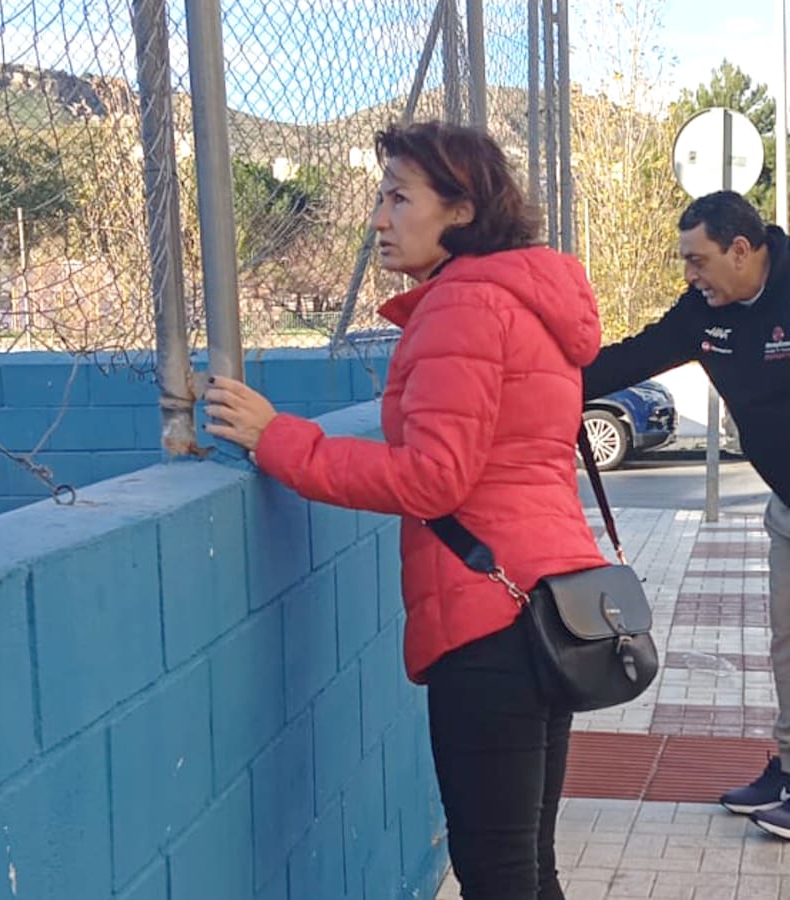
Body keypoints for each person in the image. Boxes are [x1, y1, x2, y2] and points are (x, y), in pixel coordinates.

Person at [205, 121, 605, 898]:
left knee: (497, 876)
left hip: (489, 619)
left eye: (398, 197)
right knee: (527, 869)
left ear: (460, 209)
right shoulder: (529, 300)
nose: (379, 218)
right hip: (549, 609)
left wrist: (278, 440)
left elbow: (433, 479)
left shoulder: (463, 307)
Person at [582, 190, 790, 841]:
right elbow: (636, 355)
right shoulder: (705, 309)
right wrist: (553, 382)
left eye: (698, 261)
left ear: (740, 249)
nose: (690, 276)